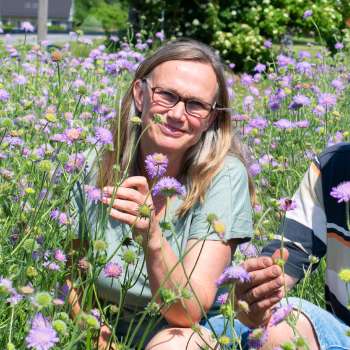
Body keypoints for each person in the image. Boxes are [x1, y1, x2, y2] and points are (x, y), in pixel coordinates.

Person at [72, 38, 254, 349]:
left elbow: (188, 311)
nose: (177, 114)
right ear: (140, 95)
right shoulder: (91, 166)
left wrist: (152, 238)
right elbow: (68, 272)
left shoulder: (223, 175)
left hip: (194, 331)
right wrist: (91, 332)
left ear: (211, 117)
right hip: (106, 331)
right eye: (167, 95)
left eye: (196, 105)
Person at [207, 142, 350, 349]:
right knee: (192, 336)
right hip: (341, 333)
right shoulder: (333, 165)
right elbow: (291, 251)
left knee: (280, 332)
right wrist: (254, 294)